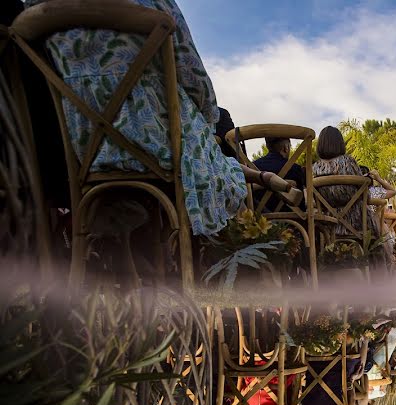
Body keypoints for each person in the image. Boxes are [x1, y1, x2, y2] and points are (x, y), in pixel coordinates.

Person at [20, 0, 274, 237]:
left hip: (81, 142)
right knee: (213, 159)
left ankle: (125, 236)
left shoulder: (36, 4)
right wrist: (208, 119)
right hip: (156, 142)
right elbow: (192, 74)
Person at [313, 125, 382, 241]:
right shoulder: (348, 162)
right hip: (357, 221)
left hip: (329, 224)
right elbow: (366, 195)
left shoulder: (315, 168)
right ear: (340, 143)